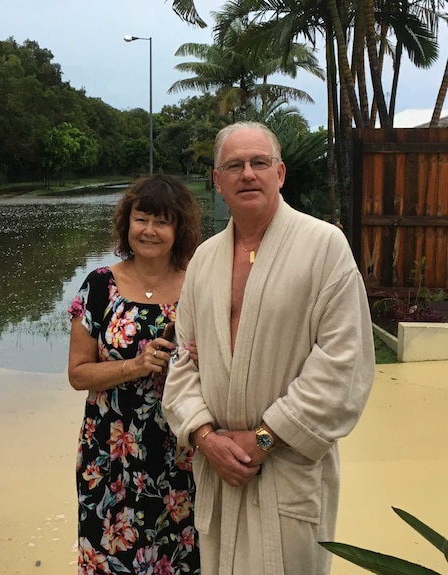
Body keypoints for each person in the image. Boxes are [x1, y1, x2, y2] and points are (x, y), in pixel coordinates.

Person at [161, 121, 375, 575]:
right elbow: (183, 361)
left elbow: (344, 364)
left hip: (286, 466)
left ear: (280, 174)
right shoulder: (203, 260)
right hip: (221, 470)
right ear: (217, 182)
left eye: (259, 162)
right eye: (234, 165)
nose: (248, 174)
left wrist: (264, 438)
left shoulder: (323, 246)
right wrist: (206, 438)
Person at [67, 174, 202, 575]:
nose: (149, 230)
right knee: (112, 561)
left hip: (181, 454)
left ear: (179, 229)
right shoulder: (99, 287)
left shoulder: (199, 284)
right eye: (141, 219)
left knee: (181, 559)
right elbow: (77, 374)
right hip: (111, 455)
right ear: (127, 224)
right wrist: (135, 366)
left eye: (162, 222)